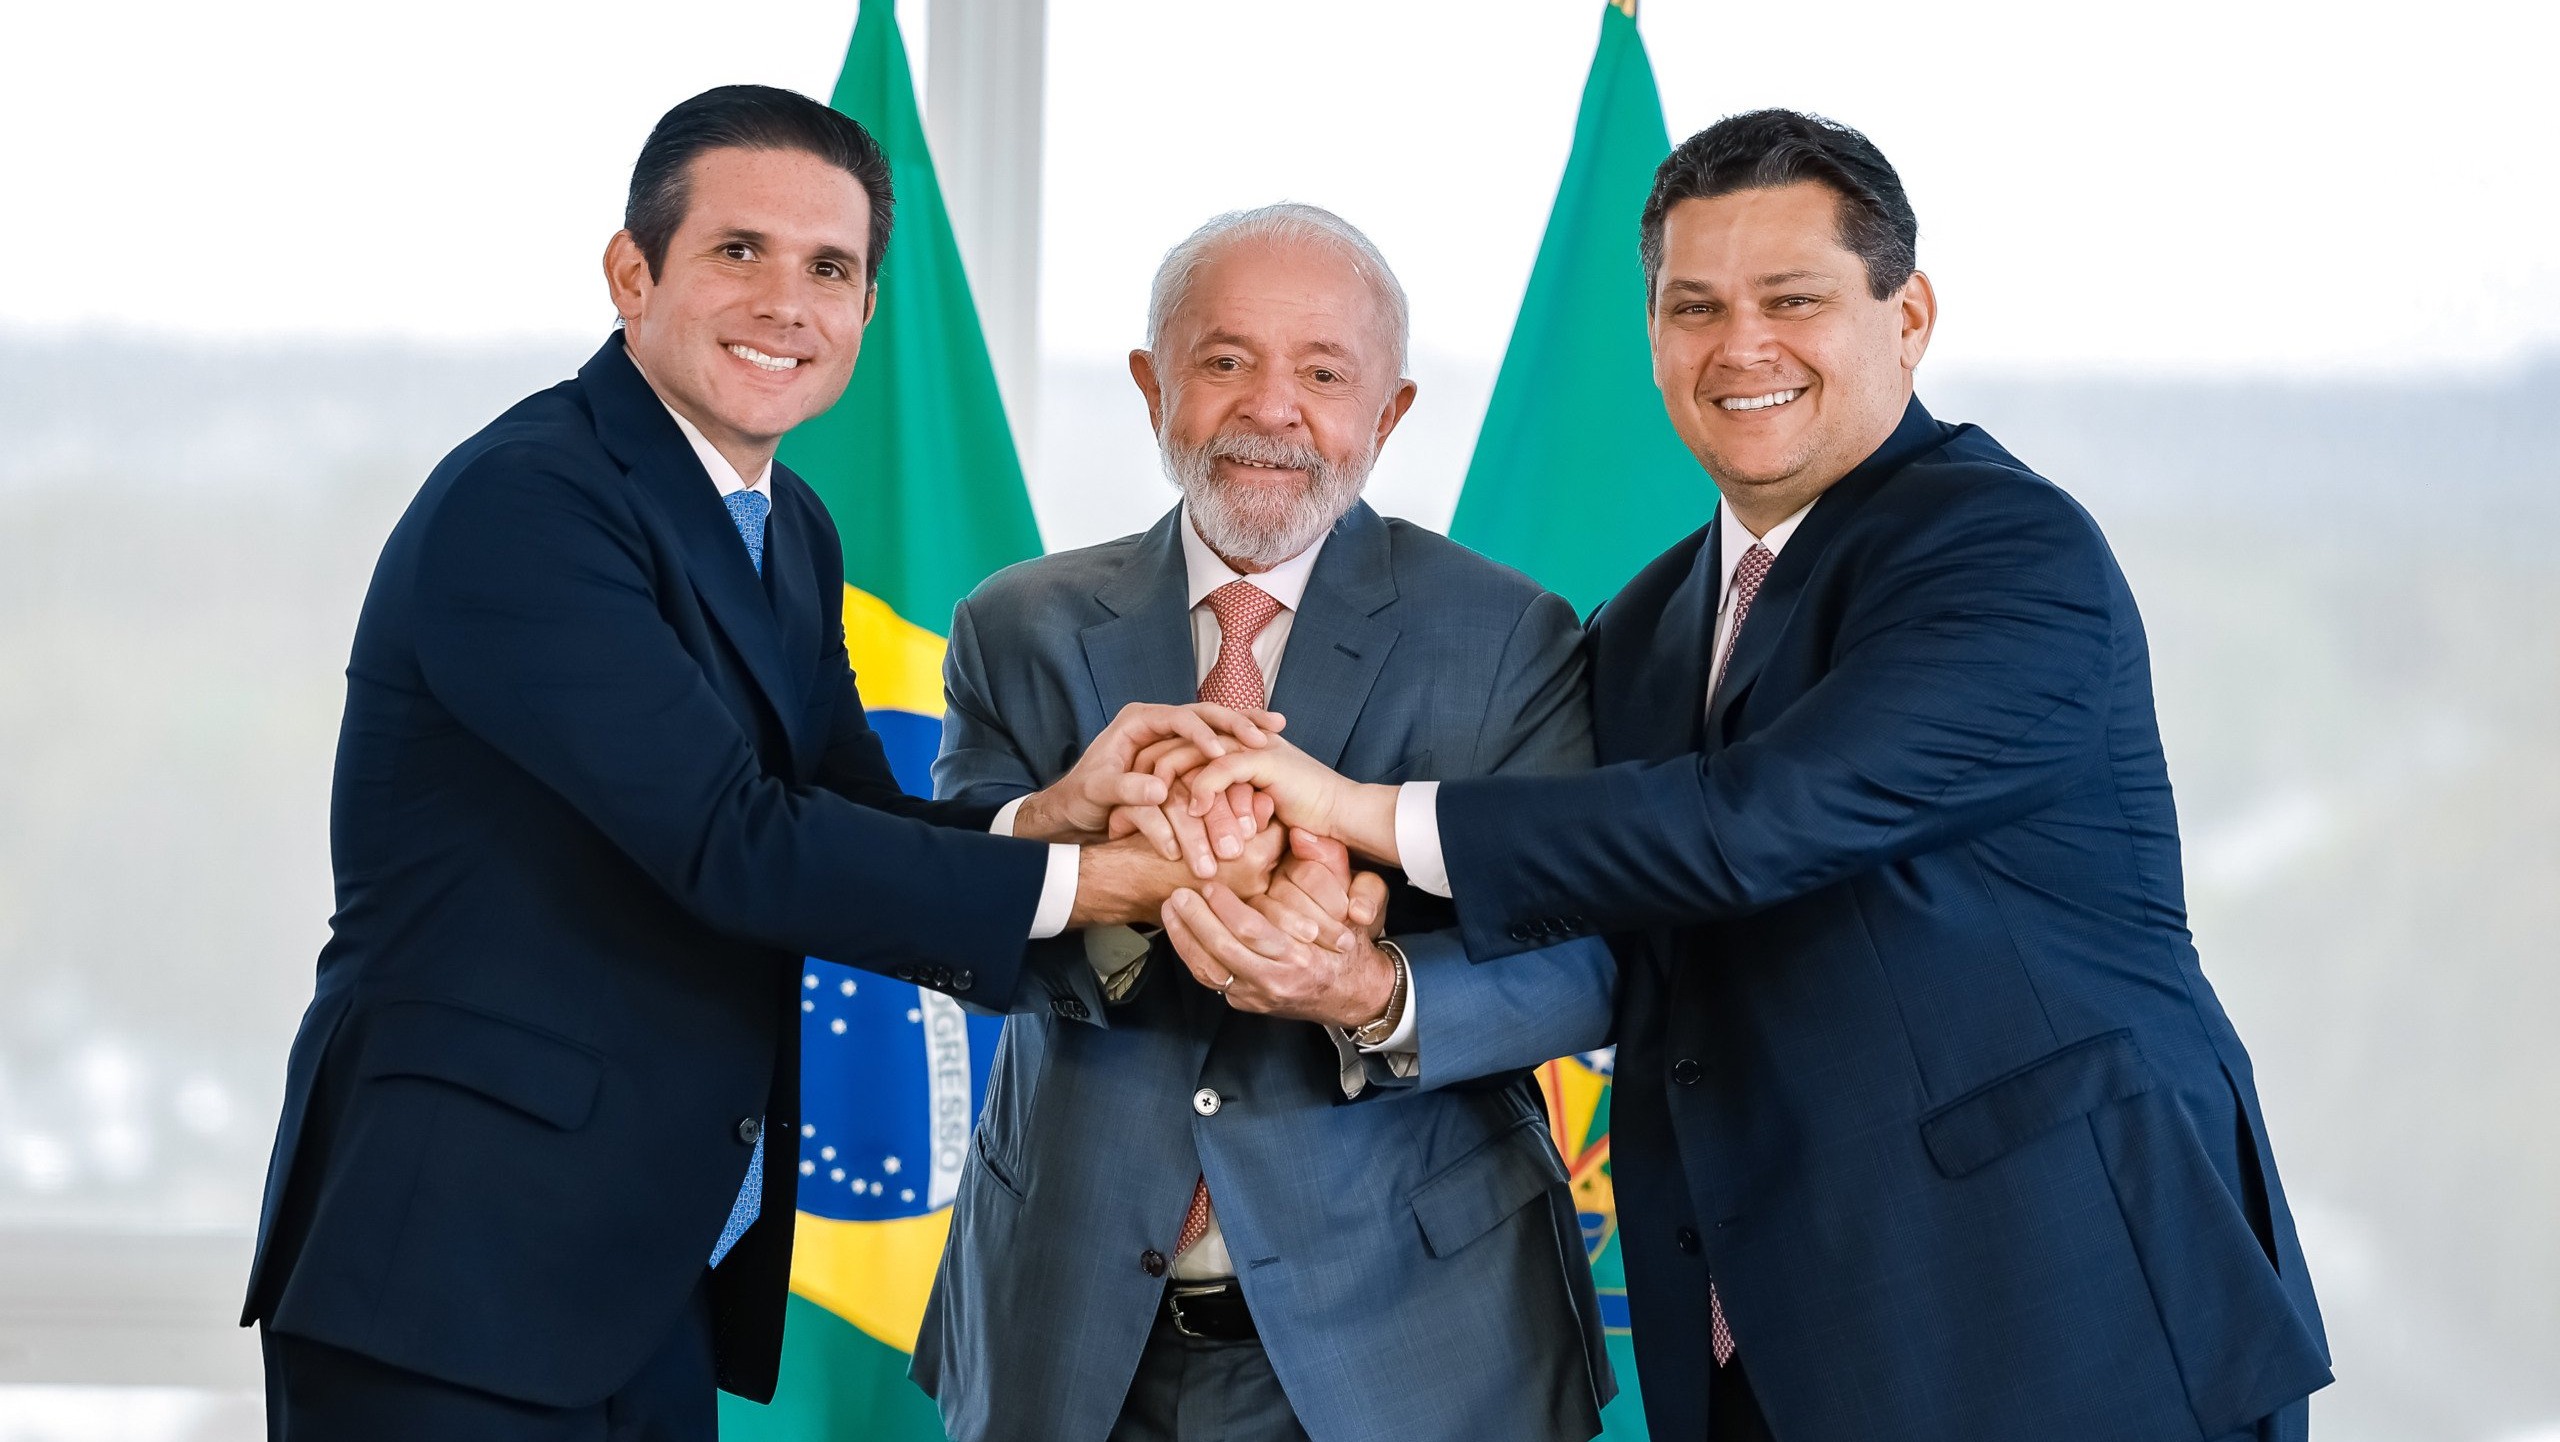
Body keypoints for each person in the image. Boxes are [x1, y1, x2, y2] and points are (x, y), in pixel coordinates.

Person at [1169, 113, 2331, 1442]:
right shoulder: (1645, 619)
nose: (1741, 346)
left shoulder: (2009, 550)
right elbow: (1583, 886)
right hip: (1757, 1339)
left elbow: (1760, 826)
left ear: (1911, 315)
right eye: (1694, 306)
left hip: (2058, 1322)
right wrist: (1339, 931)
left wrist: (1356, 811)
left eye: (1794, 300)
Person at [239, 85, 1277, 1442]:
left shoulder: (786, 528)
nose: (788, 302)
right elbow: (732, 843)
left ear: (863, 309)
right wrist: (1101, 878)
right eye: (740, 251)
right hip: (460, 1266)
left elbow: (837, 810)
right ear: (632, 272)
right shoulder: (529, 502)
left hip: (644, 1261)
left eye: (830, 268)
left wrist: (1045, 818)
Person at [910, 204, 1619, 1442]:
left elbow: (1590, 962)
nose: (1270, 408)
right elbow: (941, 919)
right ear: (1152, 385)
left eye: (1325, 373)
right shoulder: (1012, 624)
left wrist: (1366, 986)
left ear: (1388, 414)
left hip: (1419, 1338)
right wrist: (1122, 887)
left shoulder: (1511, 636)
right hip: (1066, 1334)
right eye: (1225, 359)